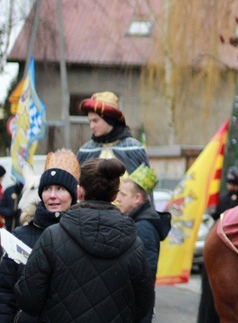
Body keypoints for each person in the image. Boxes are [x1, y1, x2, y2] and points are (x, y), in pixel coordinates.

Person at [14, 158, 153, 322]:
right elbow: (143, 305)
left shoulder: (52, 237)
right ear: (116, 194)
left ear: (79, 191)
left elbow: (29, 299)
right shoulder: (134, 244)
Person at [0, 149, 80, 321]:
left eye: (60, 189)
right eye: (47, 189)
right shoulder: (20, 236)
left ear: (73, 195)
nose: (52, 196)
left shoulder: (82, 236)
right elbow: (4, 292)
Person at [117, 164, 171, 323]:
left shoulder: (143, 228)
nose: (118, 198)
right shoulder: (137, 222)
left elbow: (144, 280)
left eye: (123, 194)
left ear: (137, 199)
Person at [77, 91, 150, 174]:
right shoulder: (86, 150)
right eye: (90, 121)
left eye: (95, 121)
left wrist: (131, 186)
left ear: (109, 120)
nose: (91, 126)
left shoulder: (134, 148)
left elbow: (147, 183)